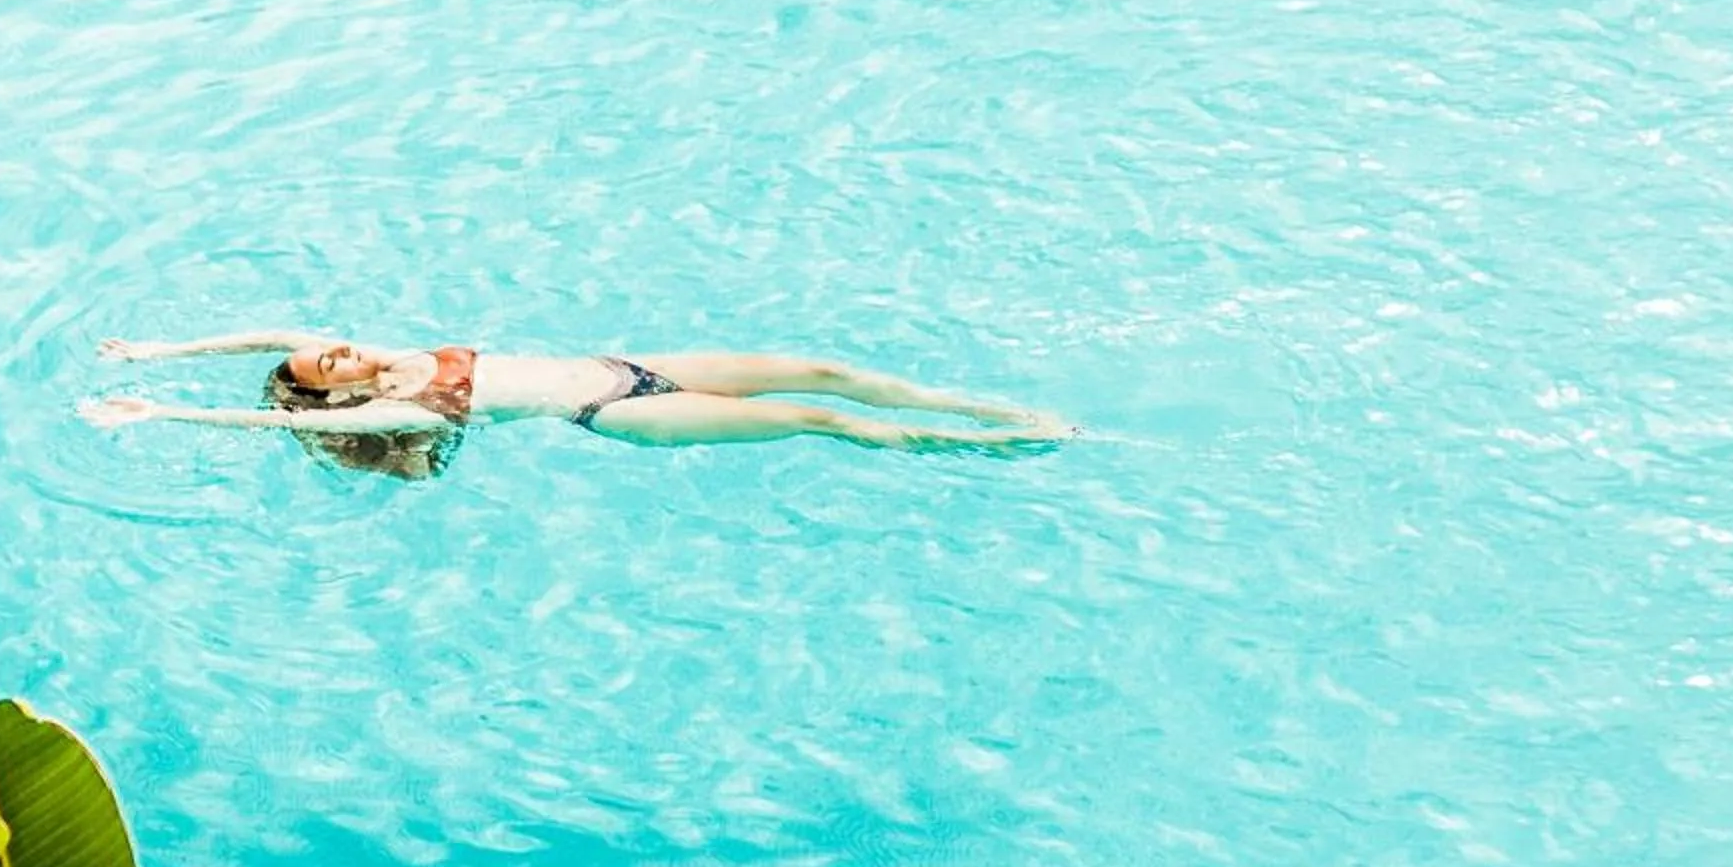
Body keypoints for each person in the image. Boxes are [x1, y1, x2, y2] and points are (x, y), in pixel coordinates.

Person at [80, 331, 1071, 480]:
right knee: (826, 420)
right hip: (618, 412)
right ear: (326, 395)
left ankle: (997, 408)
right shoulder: (417, 417)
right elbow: (277, 416)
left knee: (817, 370)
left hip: (622, 362)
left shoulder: (391, 349)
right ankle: (990, 449)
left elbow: (268, 333)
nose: (339, 349)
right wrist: (160, 412)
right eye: (324, 363)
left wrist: (167, 349)